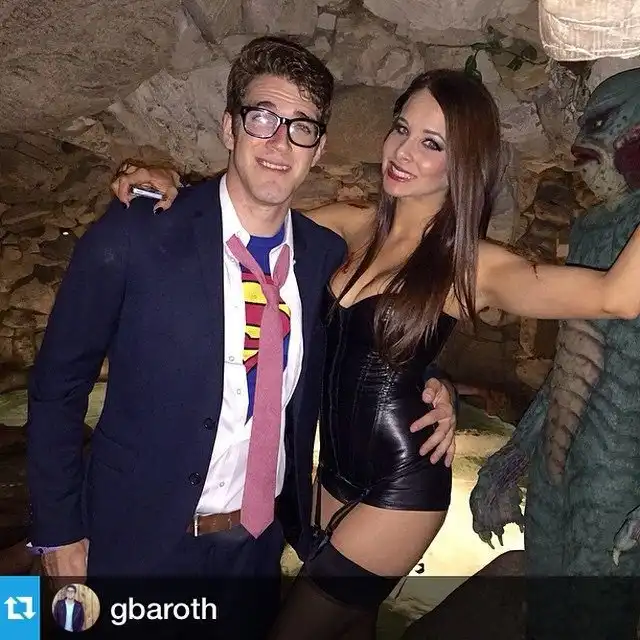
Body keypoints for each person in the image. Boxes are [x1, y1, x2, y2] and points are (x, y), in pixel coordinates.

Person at [113, 66, 640, 639]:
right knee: (349, 628)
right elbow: (233, 220)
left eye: (431, 144)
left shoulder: (475, 265)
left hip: (402, 486)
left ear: (463, 165)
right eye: (401, 129)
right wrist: (169, 180)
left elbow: (617, 297)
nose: (402, 152)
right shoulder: (347, 225)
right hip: (329, 475)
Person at [26, 37, 456, 639]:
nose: (279, 142)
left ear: (318, 148)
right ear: (230, 127)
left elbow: (361, 348)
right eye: (262, 118)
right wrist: (59, 535)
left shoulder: (324, 259)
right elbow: (57, 387)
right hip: (131, 546)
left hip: (253, 555)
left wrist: (432, 383)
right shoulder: (137, 233)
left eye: (301, 127)